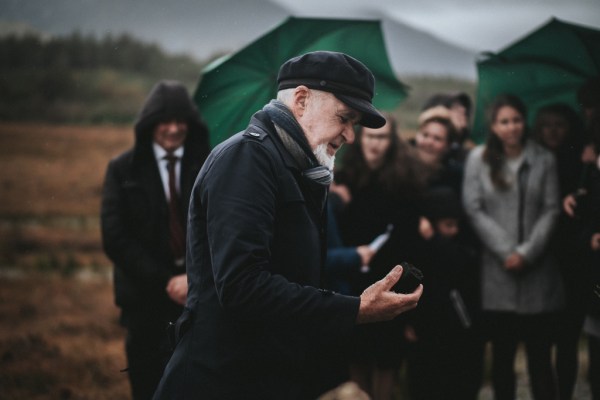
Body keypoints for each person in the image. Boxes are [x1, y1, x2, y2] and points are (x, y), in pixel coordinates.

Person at [152, 51, 423, 400]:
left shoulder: (294, 168)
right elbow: (242, 286)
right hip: (219, 381)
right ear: (300, 99)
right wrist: (353, 309)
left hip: (260, 378)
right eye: (345, 117)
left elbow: (294, 274)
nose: (350, 136)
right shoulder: (247, 160)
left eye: (353, 123)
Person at [101, 80, 210, 399]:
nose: (174, 129)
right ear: (149, 124)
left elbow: (219, 225)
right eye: (165, 121)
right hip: (144, 304)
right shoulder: (122, 170)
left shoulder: (207, 163)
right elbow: (115, 238)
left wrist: (194, 277)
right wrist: (166, 280)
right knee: (148, 389)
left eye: (181, 121)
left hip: (197, 300)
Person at [462, 94, 564, 400]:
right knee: (503, 360)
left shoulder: (543, 159)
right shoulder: (478, 159)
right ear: (493, 126)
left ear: (524, 122)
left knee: (540, 360)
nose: (511, 127)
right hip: (498, 275)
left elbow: (552, 209)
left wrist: (527, 252)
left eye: (516, 120)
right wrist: (508, 252)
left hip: (538, 274)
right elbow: (473, 208)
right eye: (504, 121)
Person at [334, 114, 426, 400]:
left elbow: (410, 242)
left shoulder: (405, 180)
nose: (375, 143)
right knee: (356, 359)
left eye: (382, 137)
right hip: (353, 280)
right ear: (361, 138)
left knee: (387, 361)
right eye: (371, 136)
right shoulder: (345, 176)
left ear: (392, 141)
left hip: (391, 277)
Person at [405, 187, 482, 400]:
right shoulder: (419, 250)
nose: (454, 230)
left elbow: (459, 263)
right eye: (448, 225)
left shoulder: (460, 246)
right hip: (428, 334)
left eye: (456, 225)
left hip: (456, 335)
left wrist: (434, 239)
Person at [533, 103, 588, 400]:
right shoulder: (531, 162)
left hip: (572, 263)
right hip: (539, 263)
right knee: (538, 343)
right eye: (547, 125)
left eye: (560, 125)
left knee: (567, 341)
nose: (553, 131)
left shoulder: (582, 162)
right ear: (538, 129)